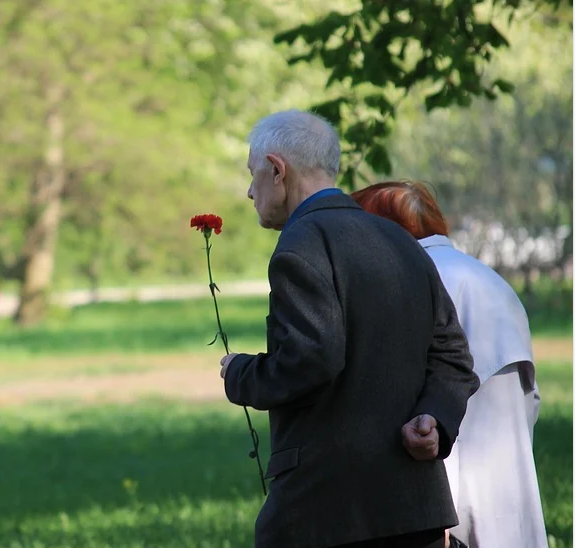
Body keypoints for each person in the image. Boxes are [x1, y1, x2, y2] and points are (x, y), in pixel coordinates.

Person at [218, 110, 480, 548]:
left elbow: (313, 357)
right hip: (416, 509)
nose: (249, 191)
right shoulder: (400, 240)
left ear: (277, 170)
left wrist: (240, 375)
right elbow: (453, 354)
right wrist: (434, 417)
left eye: (253, 174)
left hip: (329, 511)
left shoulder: (301, 244)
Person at [351, 181, 548, 548]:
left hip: (442, 498)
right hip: (508, 480)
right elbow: (529, 399)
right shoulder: (488, 278)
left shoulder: (411, 280)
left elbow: (407, 399)